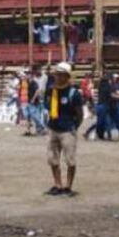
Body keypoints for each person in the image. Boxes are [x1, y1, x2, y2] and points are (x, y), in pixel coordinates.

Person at [44, 62, 84, 196]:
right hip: (53, 128)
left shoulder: (74, 93)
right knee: (52, 159)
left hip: (67, 130)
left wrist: (74, 127)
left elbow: (80, 114)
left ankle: (68, 186)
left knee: (70, 160)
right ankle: (57, 184)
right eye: (57, 75)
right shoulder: (51, 90)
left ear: (67, 76)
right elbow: (47, 105)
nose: (58, 78)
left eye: (61, 75)